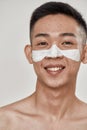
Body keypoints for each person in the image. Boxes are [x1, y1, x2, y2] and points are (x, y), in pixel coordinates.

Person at [0, 1, 87, 130]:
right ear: (29, 54)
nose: (53, 54)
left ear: (84, 54)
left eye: (66, 43)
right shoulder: (4, 122)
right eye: (42, 43)